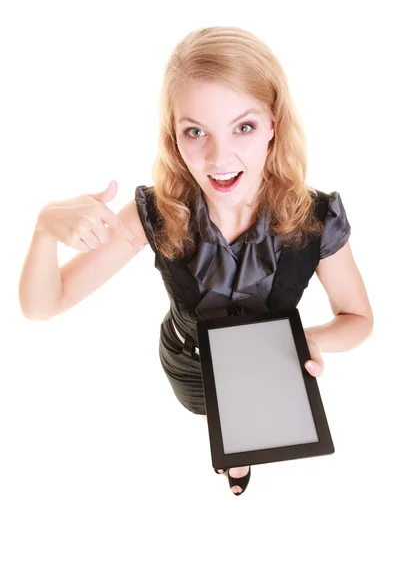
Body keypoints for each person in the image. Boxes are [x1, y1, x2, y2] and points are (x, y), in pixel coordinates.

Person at [19, 26, 374, 496]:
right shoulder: (158, 211)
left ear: (273, 123)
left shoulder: (315, 217)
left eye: (243, 126)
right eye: (195, 131)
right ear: (174, 136)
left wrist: (304, 341)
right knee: (218, 421)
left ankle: (239, 459)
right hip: (190, 361)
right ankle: (233, 456)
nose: (219, 156)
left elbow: (358, 318)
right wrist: (44, 230)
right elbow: (44, 305)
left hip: (275, 365)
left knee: (256, 427)